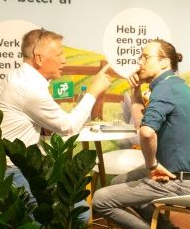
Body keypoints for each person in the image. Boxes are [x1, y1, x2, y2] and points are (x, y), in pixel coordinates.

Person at [92, 39, 190, 229]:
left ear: (164, 62)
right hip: (186, 172)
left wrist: (152, 165)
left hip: (179, 179)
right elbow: (141, 125)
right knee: (117, 182)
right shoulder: (174, 84)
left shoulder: (164, 89)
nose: (140, 62)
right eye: (140, 57)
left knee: (100, 199)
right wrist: (135, 91)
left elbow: (146, 132)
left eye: (145, 58)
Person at [0, 27, 111, 210]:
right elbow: (68, 127)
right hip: (15, 171)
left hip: (14, 166)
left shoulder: (20, 77)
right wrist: (93, 91)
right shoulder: (30, 87)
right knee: (77, 211)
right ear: (39, 58)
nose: (64, 60)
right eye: (59, 54)